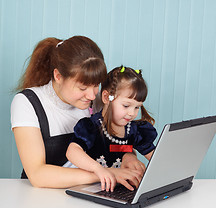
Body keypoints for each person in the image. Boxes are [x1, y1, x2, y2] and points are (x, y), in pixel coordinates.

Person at [11, 36, 143, 189]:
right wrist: (105, 173)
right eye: (83, 88)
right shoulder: (27, 102)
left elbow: (113, 143)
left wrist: (128, 156)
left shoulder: (100, 99)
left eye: (96, 85)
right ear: (58, 76)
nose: (92, 95)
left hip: (88, 193)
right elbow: (37, 175)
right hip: (42, 199)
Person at [66, 66, 158, 192]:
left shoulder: (133, 130)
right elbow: (72, 152)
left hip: (116, 190)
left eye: (137, 107)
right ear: (106, 97)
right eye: (126, 105)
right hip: (90, 188)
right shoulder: (92, 127)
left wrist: (129, 155)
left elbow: (113, 148)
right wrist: (99, 169)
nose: (132, 113)